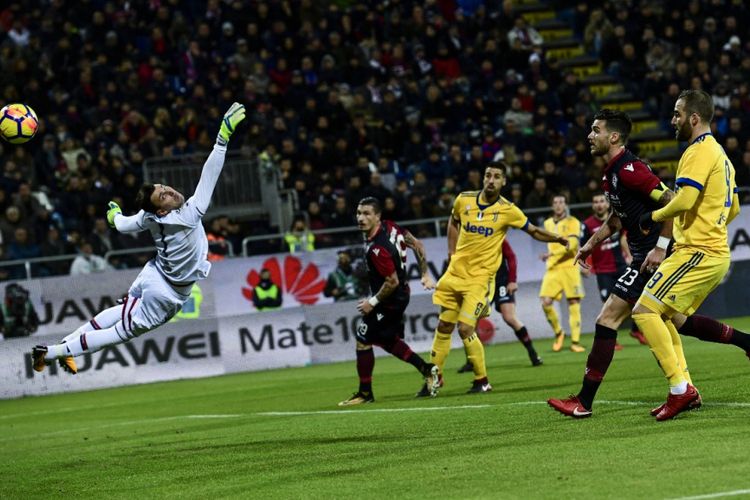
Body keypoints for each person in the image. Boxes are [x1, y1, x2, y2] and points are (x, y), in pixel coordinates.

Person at [548, 106, 750, 419]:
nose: (590, 135)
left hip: (652, 257)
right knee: (675, 321)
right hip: (647, 256)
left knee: (610, 319)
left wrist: (660, 247)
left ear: (613, 137)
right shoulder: (613, 172)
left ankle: (586, 401)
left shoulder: (631, 170)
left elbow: (670, 201)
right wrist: (589, 244)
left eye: (596, 130)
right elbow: (617, 219)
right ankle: (708, 371)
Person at [31, 102, 247, 374]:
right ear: (161, 209)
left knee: (120, 312)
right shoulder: (188, 215)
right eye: (163, 195)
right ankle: (52, 353)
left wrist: (113, 216)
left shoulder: (148, 217)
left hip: (154, 273)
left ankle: (65, 345)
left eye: (164, 187)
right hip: (167, 292)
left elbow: (122, 225)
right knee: (120, 332)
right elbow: (209, 175)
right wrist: (222, 138)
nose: (169, 191)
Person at [633, 90, 741, 420]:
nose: (673, 120)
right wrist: (712, 224)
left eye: (678, 114)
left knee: (644, 311)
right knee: (665, 317)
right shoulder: (721, 156)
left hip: (697, 251)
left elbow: (684, 200)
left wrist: (651, 217)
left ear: (694, 119)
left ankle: (680, 390)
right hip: (712, 251)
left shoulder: (697, 151)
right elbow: (733, 207)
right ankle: (686, 389)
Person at [420, 161, 568, 396]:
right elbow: (454, 221)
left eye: (496, 176)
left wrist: (557, 238)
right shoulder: (463, 199)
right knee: (444, 325)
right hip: (454, 275)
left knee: (465, 327)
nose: (491, 180)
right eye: (488, 175)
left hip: (480, 279)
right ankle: (434, 380)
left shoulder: (508, 210)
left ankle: (482, 380)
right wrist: (452, 253)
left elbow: (534, 230)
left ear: (503, 181)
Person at [338, 197, 440, 406]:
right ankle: (428, 370)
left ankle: (365, 393)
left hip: (391, 300)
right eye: (358, 213)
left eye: (367, 214)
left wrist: (372, 302)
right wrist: (425, 274)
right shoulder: (390, 227)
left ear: (378, 216)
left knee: (363, 338)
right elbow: (417, 244)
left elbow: (391, 281)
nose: (361, 218)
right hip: (400, 294)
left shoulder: (378, 248)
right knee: (387, 341)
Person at [457, 240, 543, 373]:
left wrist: (512, 280)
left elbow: (511, 256)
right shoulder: (469, 237)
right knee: (470, 323)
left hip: (501, 281)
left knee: (509, 317)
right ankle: (472, 361)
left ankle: (532, 353)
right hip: (481, 284)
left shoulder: (497, 234)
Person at [582, 193, 647, 346]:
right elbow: (584, 245)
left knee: (634, 298)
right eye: (596, 202)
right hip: (603, 271)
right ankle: (612, 338)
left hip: (621, 267)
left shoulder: (618, 219)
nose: (599, 204)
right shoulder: (587, 225)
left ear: (607, 203)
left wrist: (631, 257)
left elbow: (624, 238)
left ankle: (636, 330)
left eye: (601, 201)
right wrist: (586, 263)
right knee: (608, 304)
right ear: (593, 205)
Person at [539, 194, 586, 353]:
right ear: (552, 206)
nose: (558, 205)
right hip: (552, 268)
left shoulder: (573, 222)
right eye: (555, 202)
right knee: (545, 302)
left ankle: (575, 342)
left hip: (569, 267)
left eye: (561, 202)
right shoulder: (547, 223)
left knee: (573, 303)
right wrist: (551, 257)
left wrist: (552, 254)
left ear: (566, 205)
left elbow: (572, 245)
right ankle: (559, 333)